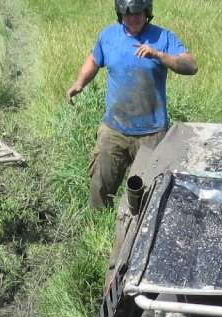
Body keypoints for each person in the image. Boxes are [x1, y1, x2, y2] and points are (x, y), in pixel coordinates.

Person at [66, 0, 198, 210]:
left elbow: (191, 66)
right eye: (127, 14)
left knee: (149, 194)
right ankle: (97, 225)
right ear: (120, 15)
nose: (133, 18)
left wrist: (158, 55)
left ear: (147, 13)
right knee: (99, 189)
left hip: (152, 133)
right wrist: (79, 83)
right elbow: (94, 59)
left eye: (138, 13)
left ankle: (136, 227)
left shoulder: (163, 37)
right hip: (113, 129)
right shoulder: (108, 35)